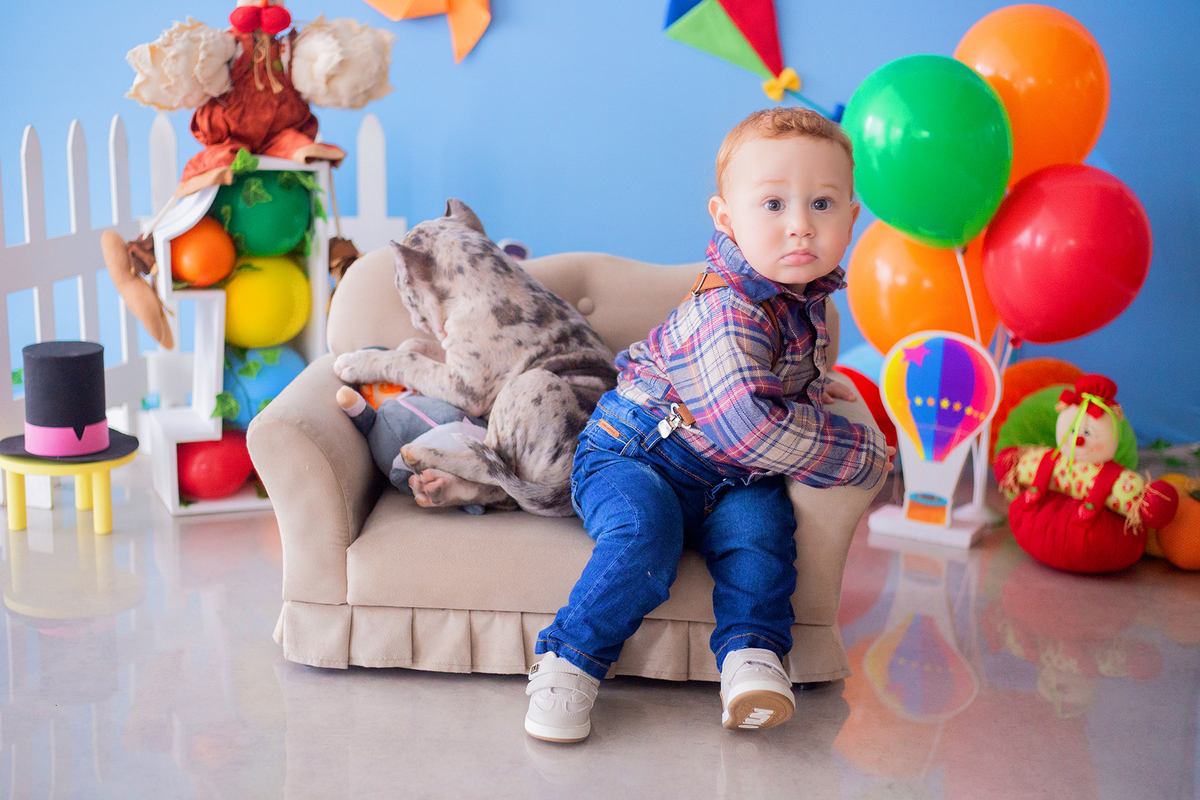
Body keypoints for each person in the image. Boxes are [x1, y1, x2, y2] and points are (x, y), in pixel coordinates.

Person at [524, 107, 892, 743]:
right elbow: (750, 427)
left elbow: (772, 385)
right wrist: (865, 454)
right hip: (636, 455)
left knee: (762, 537)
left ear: (852, 217)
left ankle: (751, 657)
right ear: (727, 219)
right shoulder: (728, 308)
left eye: (823, 204)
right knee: (646, 537)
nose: (801, 225)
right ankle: (568, 661)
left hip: (731, 476)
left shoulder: (806, 297)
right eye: (773, 204)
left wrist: (807, 388)